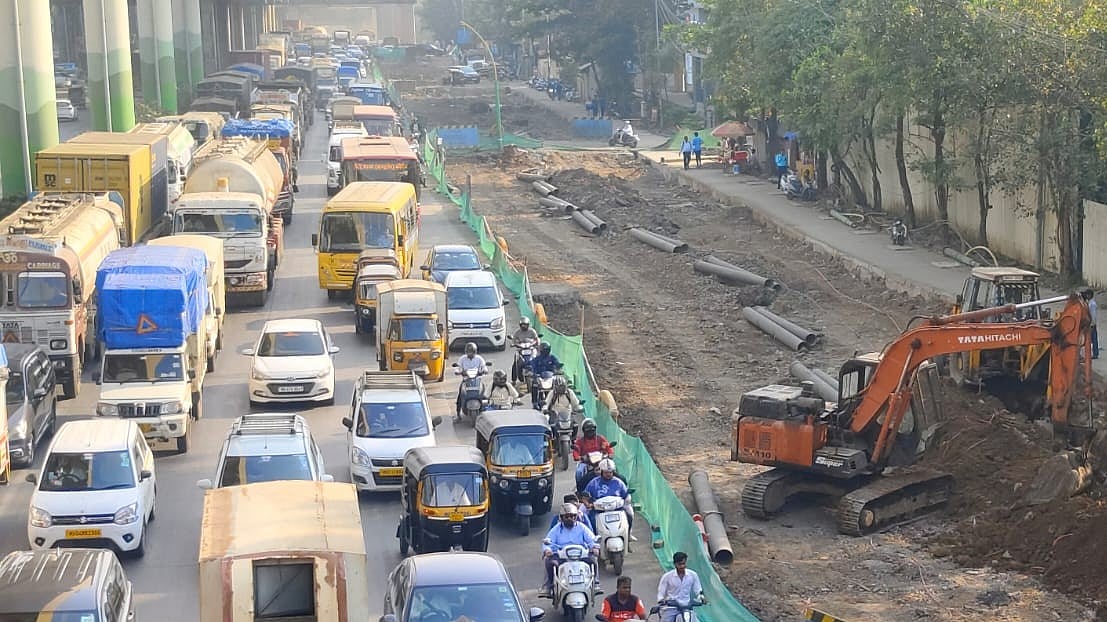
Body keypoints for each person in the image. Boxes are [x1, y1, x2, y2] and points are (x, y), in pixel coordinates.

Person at [540, 503, 599, 597]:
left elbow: (591, 539)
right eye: (566, 516)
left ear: (576, 517)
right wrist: (547, 550)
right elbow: (548, 542)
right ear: (561, 518)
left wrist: (594, 547)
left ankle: (595, 583)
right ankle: (549, 586)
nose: (570, 519)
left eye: (572, 516)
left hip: (580, 555)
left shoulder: (582, 527)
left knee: (593, 560)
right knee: (550, 562)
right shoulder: (556, 529)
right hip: (561, 555)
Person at [584, 458, 633, 531]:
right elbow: (585, 496)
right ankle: (593, 538)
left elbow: (625, 495)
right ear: (601, 472)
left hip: (617, 509)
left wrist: (627, 501)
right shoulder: (593, 483)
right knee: (589, 520)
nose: (608, 474)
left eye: (610, 472)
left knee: (629, 514)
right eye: (606, 472)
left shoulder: (619, 482)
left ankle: (628, 533)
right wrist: (588, 504)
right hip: (598, 510)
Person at [656, 552, 706, 622]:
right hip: (672, 607)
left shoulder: (693, 575)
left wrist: (701, 598)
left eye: (684, 563)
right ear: (675, 564)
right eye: (680, 564)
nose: (682, 566)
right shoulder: (667, 577)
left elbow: (698, 590)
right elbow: (661, 592)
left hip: (687, 607)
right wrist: (661, 600)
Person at [455, 342, 488, 420]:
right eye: (468, 352)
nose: (470, 354)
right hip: (466, 380)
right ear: (466, 352)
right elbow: (458, 367)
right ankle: (458, 414)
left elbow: (484, 366)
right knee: (460, 396)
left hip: (477, 380)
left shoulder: (479, 359)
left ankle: (487, 411)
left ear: (475, 352)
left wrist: (485, 370)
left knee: (485, 394)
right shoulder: (462, 359)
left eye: (472, 352)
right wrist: (458, 371)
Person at [528, 342, 562, 409]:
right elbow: (531, 364)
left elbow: (557, 364)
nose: (545, 351)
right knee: (534, 384)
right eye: (544, 349)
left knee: (559, 384)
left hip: (550, 377)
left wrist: (559, 368)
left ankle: (557, 400)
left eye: (546, 349)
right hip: (540, 377)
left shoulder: (552, 357)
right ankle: (534, 402)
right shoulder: (537, 359)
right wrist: (531, 371)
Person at [511, 318, 541, 383]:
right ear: (520, 325)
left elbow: (536, 339)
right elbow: (514, 340)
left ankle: (539, 376)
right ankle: (514, 379)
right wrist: (514, 344)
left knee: (538, 358)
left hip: (531, 348)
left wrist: (535, 343)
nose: (524, 326)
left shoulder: (532, 331)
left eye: (525, 325)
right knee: (515, 363)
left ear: (528, 325)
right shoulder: (517, 332)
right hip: (521, 349)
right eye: (522, 325)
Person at [1085, 288, 1099, 359]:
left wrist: (1091, 324)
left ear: (1090, 295)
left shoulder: (1092, 304)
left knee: (1092, 340)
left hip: (1091, 324)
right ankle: (1095, 353)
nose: (1086, 296)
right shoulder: (1089, 303)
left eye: (1087, 294)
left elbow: (1093, 316)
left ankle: (1095, 354)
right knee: (1093, 339)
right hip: (1091, 324)